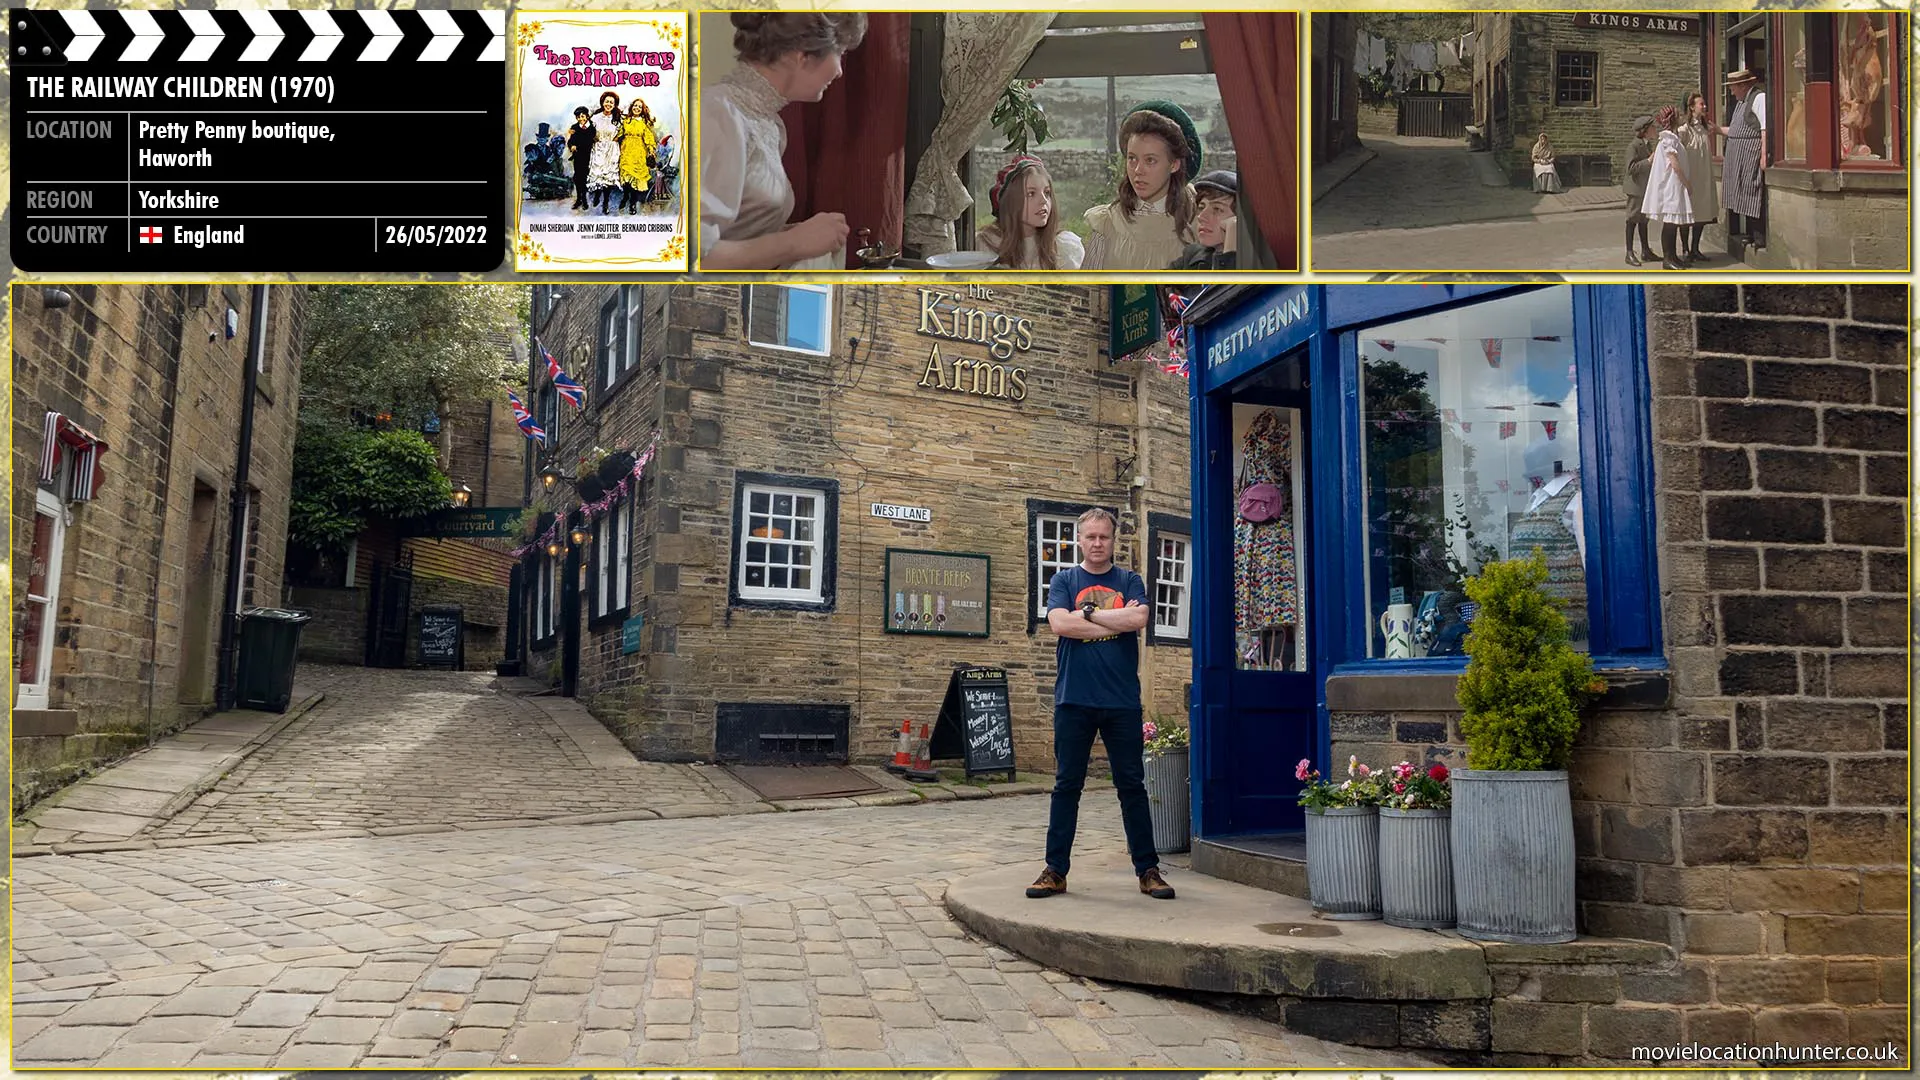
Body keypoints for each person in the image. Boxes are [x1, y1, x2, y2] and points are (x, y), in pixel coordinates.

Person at [1026, 508, 1176, 903]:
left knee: (1132, 787)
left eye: (1104, 537)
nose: (1097, 544)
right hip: (1074, 699)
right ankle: (1055, 871)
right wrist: (1115, 618)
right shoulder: (1064, 579)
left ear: (1114, 540)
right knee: (1066, 787)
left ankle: (1148, 870)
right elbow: (1060, 624)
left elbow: (1140, 617)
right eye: (1090, 537)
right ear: (1080, 539)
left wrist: (1088, 615)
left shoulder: (1129, 579)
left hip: (1122, 701)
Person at [700, 13, 865, 270]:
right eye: (840, 53)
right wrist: (793, 243)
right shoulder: (717, 113)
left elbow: (741, 234)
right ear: (802, 56)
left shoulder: (768, 122)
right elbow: (689, 255)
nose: (840, 71)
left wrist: (803, 238)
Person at [1082, 102, 1200, 271]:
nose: (1138, 170)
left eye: (1150, 160)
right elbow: (1086, 291)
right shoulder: (1106, 224)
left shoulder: (1199, 224)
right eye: (1132, 158)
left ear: (1174, 165)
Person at [977, 155, 1084, 270]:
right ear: (1011, 202)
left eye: (1047, 192)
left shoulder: (1064, 248)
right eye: (1031, 194)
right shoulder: (987, 243)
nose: (1043, 200)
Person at [1640, 106, 1694, 271]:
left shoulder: (1672, 138)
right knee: (1670, 223)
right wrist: (1687, 183)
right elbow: (1674, 164)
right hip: (1671, 186)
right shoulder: (1668, 140)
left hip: (1674, 185)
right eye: (1678, 115)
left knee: (1673, 223)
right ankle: (1668, 259)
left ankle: (1673, 257)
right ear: (1673, 119)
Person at [1718, 68, 1766, 248]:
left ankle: (1759, 236)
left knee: (1752, 192)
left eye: (1733, 87)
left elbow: (1764, 128)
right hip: (1738, 156)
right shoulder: (1741, 102)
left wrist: (1763, 156)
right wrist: (1717, 130)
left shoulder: (1758, 98)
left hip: (1749, 155)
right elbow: (1736, 130)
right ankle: (1750, 234)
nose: (1731, 91)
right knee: (1741, 194)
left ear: (1744, 85)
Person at [1677, 93, 1719, 263]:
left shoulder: (1704, 128)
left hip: (1703, 178)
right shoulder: (1684, 130)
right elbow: (1677, 152)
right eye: (1701, 104)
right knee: (1687, 215)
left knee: (1701, 215)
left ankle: (1695, 248)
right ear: (1692, 107)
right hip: (1690, 180)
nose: (1705, 106)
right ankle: (1686, 249)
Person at [1170, 170, 1239, 270]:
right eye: (1201, 207)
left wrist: (1229, 257)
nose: (1201, 217)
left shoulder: (1257, 266)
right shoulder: (1192, 255)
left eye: (1217, 209)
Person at [1621, 115, 1657, 266]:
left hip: (1645, 188)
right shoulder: (1634, 146)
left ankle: (1645, 250)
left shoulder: (1647, 144)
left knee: (1643, 220)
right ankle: (1629, 253)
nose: (1655, 130)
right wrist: (1648, 161)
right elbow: (1631, 168)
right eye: (1652, 127)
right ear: (1645, 130)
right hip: (1635, 189)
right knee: (1632, 220)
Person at [618, 98, 660, 214]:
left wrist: (651, 150)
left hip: (639, 154)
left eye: (639, 107)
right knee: (626, 178)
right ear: (632, 107)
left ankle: (632, 203)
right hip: (626, 152)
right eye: (635, 106)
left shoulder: (644, 123)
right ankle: (625, 197)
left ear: (642, 110)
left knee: (635, 180)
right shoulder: (626, 121)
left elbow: (649, 138)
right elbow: (619, 134)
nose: (637, 108)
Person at [587, 91, 625, 215]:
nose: (608, 104)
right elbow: (588, 131)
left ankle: (606, 203)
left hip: (612, 149)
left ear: (615, 105)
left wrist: (617, 138)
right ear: (603, 102)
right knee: (598, 174)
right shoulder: (595, 117)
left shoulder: (618, 118)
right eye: (607, 101)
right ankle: (598, 194)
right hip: (598, 148)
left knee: (608, 176)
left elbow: (623, 132)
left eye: (611, 102)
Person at [566, 106, 595, 211]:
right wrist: (571, 146)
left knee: (584, 178)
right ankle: (579, 199)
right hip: (578, 156)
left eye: (583, 116)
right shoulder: (574, 127)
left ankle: (584, 199)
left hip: (588, 156)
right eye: (578, 117)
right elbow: (570, 141)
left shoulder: (591, 127)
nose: (581, 119)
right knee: (578, 178)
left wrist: (578, 145)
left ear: (587, 116)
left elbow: (588, 141)